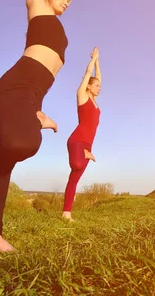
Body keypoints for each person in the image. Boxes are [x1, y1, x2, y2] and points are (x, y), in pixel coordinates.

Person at [0, 0, 71, 252]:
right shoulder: (37, 6)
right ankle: (36, 120)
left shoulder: (54, 22)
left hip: (34, 94)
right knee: (23, 145)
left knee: (2, 164)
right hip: (17, 85)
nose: (67, 2)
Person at [62, 47, 102, 221]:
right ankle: (86, 155)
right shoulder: (82, 96)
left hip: (88, 145)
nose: (100, 88)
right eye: (97, 85)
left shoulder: (94, 100)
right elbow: (88, 73)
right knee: (77, 164)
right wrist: (92, 61)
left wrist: (98, 60)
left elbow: (97, 76)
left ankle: (66, 213)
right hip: (77, 140)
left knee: (74, 180)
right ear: (89, 86)